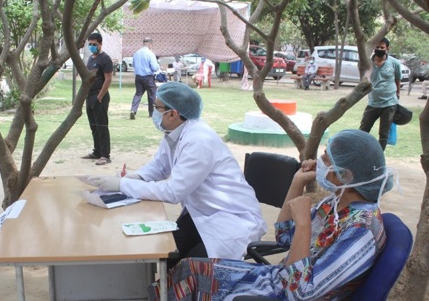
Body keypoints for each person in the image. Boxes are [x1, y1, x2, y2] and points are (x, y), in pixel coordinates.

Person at [147, 129, 395, 301]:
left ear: (346, 176)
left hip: (282, 292)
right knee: (188, 269)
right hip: (276, 279)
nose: (318, 162)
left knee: (193, 283)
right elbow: (286, 236)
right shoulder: (337, 204)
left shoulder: (360, 231)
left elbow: (300, 293)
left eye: (326, 160)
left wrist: (305, 224)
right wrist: (296, 182)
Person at [89, 82, 266, 268]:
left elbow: (173, 192)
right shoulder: (176, 132)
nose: (154, 112)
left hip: (231, 219)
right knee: (164, 255)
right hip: (202, 214)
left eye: (157, 107)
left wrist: (121, 185)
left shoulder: (198, 141)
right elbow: (159, 166)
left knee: (191, 270)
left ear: (173, 113)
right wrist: (133, 178)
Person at [359, 37, 401, 150]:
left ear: (387, 48)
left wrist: (398, 94)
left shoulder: (394, 63)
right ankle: (360, 152)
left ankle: (379, 157)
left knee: (384, 134)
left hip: (389, 104)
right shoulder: (368, 63)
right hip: (373, 103)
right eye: (377, 47)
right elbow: (365, 78)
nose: (379, 49)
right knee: (363, 130)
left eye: (382, 47)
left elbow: (398, 80)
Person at [80, 33, 113, 166]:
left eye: (95, 44)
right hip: (90, 96)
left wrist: (100, 97)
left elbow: (108, 79)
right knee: (94, 126)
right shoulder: (91, 59)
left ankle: (105, 155)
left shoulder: (105, 59)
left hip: (100, 96)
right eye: (90, 44)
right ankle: (97, 151)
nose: (92, 46)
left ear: (100, 44)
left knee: (102, 126)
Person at [129, 37, 160, 119]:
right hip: (148, 77)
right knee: (152, 93)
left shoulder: (136, 53)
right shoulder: (150, 54)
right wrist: (158, 67)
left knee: (138, 93)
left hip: (138, 77)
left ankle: (133, 110)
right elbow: (154, 67)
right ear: (150, 44)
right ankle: (151, 113)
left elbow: (134, 65)